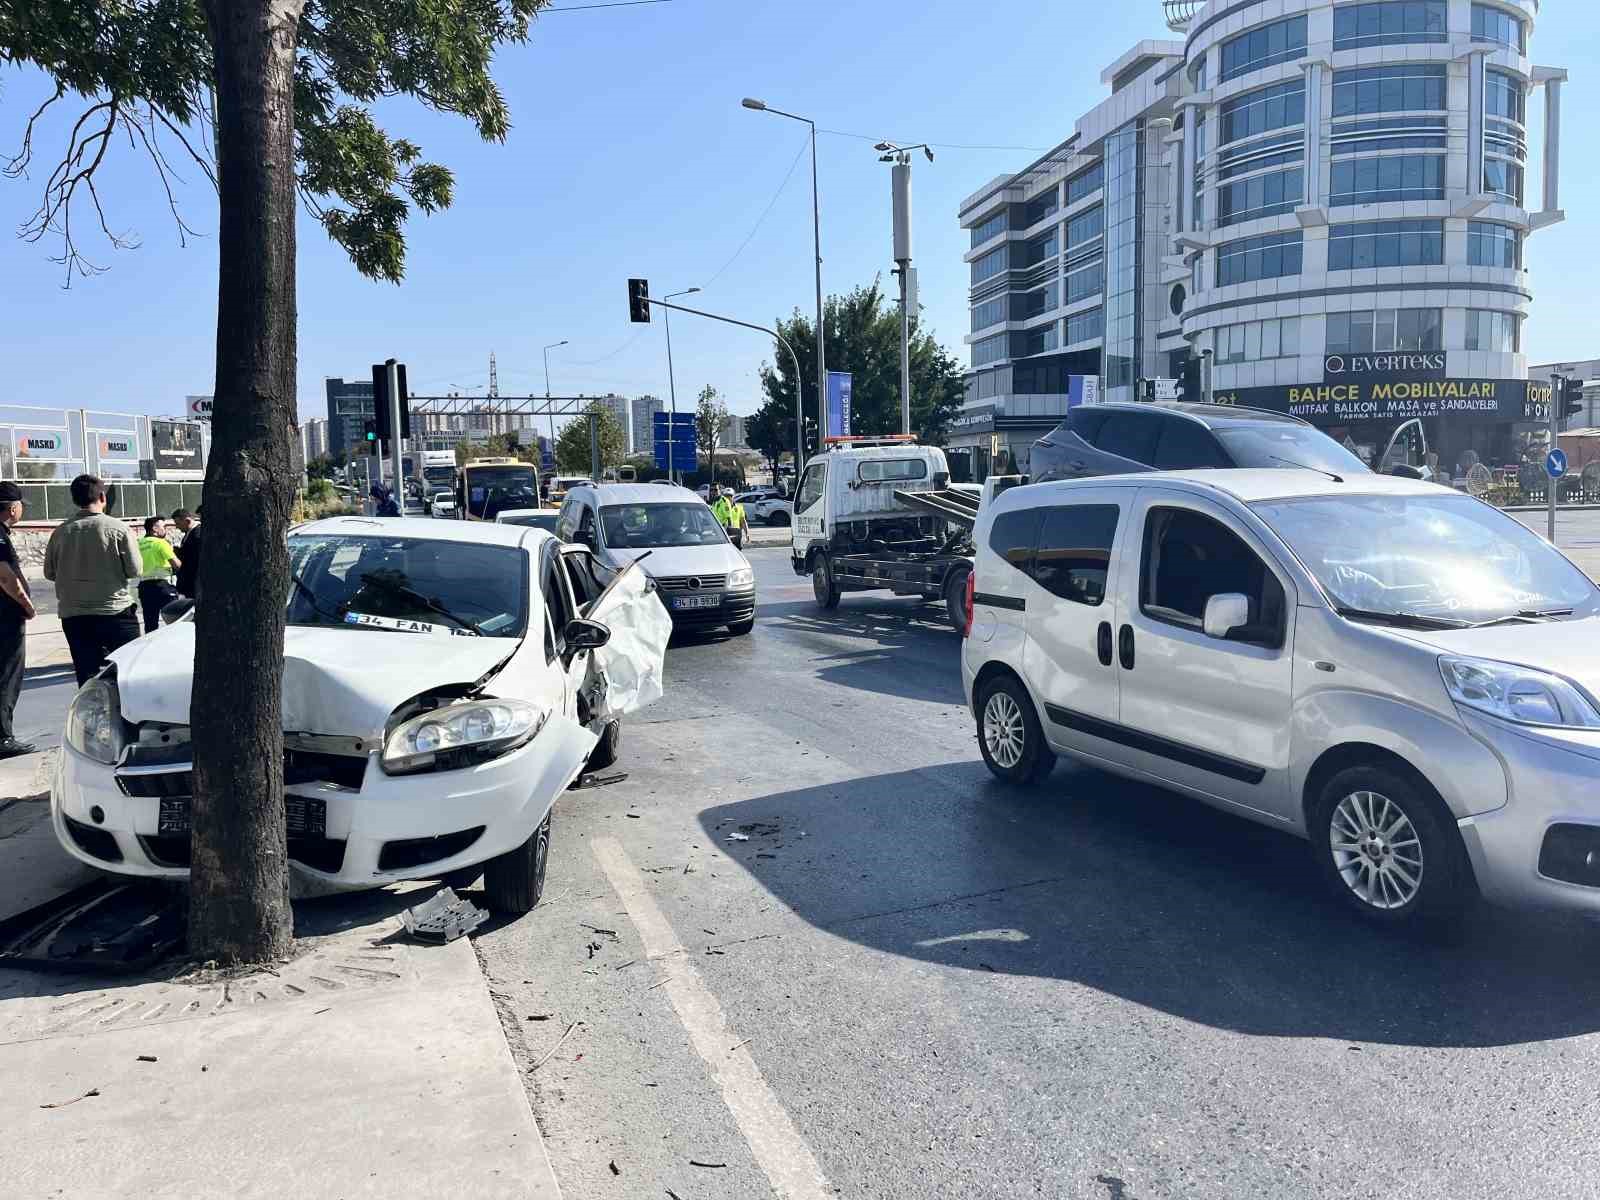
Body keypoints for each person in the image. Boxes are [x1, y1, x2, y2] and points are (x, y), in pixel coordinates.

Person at [44, 475, 142, 686]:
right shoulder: (119, 528)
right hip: (115, 612)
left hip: (75, 616)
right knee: (129, 675)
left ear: (74, 499)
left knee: (87, 678)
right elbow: (135, 570)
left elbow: (49, 572)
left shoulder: (60, 532)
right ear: (102, 496)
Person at [0, 483, 37, 758]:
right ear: (12, 508)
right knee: (7, 675)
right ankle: (3, 738)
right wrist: (27, 604)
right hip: (5, 618)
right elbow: (4, 576)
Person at [136, 515, 182, 633]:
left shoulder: (138, 544)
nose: (165, 530)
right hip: (163, 586)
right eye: (163, 527)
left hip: (144, 587)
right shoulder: (161, 543)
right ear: (154, 529)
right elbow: (176, 564)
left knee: (150, 625)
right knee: (175, 621)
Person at [171, 507, 203, 599]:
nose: (176, 527)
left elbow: (193, 558)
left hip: (194, 583)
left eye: (178, 523)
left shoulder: (197, 533)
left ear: (187, 521)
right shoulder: (189, 533)